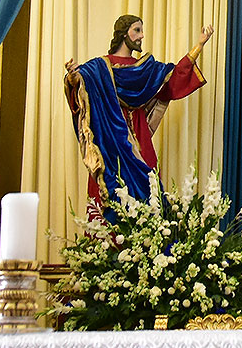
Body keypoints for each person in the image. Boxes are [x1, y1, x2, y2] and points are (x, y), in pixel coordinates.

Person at [64, 15, 214, 212]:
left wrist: (199, 46)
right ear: (123, 33)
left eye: (141, 30)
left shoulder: (146, 69)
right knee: (111, 197)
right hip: (111, 143)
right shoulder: (100, 67)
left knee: (150, 195)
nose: (142, 35)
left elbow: (174, 78)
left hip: (140, 140)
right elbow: (80, 86)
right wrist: (74, 77)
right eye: (137, 30)